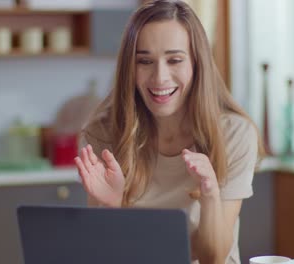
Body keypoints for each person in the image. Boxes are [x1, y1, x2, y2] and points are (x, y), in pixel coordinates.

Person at [74, 1, 264, 263]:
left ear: (197, 64)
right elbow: (100, 254)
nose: (159, 77)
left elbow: (213, 257)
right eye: (145, 61)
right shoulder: (103, 135)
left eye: (175, 60)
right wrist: (111, 207)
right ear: (130, 67)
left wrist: (210, 195)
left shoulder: (234, 134)